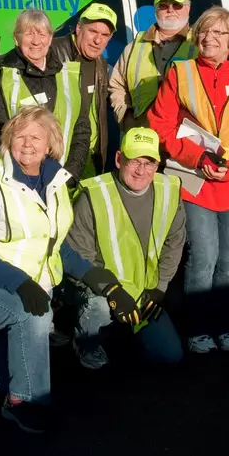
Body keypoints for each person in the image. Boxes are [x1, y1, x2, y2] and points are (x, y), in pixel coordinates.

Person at [0, 106, 139, 433]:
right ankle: (22, 403)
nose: (27, 143)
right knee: (33, 318)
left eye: (36, 137)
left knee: (10, 369)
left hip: (23, 287)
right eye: (19, 136)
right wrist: (20, 284)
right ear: (8, 141)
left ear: (50, 145)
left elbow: (57, 245)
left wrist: (103, 283)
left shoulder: (57, 183)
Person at [148, 6, 229, 354]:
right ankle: (198, 330)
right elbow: (161, 124)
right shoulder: (180, 73)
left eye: (218, 33)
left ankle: (226, 327)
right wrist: (197, 158)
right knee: (203, 257)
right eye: (204, 32)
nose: (209, 39)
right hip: (195, 181)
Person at [65, 127, 187, 368]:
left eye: (149, 163)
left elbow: (175, 243)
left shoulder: (169, 190)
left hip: (144, 293)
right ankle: (84, 342)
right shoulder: (93, 194)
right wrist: (112, 292)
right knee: (97, 308)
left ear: (157, 165)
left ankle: (122, 332)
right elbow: (79, 257)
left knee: (170, 355)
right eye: (134, 162)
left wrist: (160, 289)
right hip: (102, 290)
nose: (141, 170)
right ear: (119, 159)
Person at [0, 9, 90, 182]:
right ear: (16, 38)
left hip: (62, 182)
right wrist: (24, 178)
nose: (35, 41)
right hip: (20, 182)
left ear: (50, 38)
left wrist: (70, 175)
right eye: (28, 34)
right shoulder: (2, 77)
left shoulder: (68, 75)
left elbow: (81, 130)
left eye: (41, 33)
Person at [109, 0, 197, 131]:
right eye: (164, 5)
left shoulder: (199, 45)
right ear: (155, 10)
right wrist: (126, 117)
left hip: (182, 138)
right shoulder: (135, 45)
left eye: (177, 4)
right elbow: (117, 85)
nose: (170, 10)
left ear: (188, 8)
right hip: (141, 137)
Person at [51, 3, 115, 176]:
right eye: (93, 31)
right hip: (60, 156)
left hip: (90, 158)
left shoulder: (100, 63)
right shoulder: (52, 53)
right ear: (79, 28)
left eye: (104, 35)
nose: (98, 40)